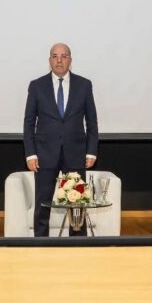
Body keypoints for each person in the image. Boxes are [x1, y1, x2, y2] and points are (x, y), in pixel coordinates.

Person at [23, 43, 98, 237]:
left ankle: (78, 246)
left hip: (76, 154)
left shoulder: (84, 85)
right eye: (55, 56)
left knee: (77, 205)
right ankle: (41, 246)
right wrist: (30, 153)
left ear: (70, 60)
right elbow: (29, 122)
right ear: (49, 60)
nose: (59, 60)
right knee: (43, 205)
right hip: (44, 155)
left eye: (64, 56)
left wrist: (91, 151)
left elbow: (91, 121)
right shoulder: (37, 86)